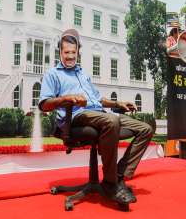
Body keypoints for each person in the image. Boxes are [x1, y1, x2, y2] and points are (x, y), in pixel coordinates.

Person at [39, 29, 153, 204]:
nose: (70, 56)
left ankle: (118, 175)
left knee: (145, 129)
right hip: (77, 116)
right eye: (66, 52)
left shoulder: (83, 74)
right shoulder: (53, 74)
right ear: (60, 52)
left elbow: (98, 99)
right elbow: (44, 104)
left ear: (78, 52)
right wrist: (66, 99)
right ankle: (110, 183)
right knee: (112, 120)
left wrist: (117, 104)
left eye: (73, 52)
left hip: (98, 113)